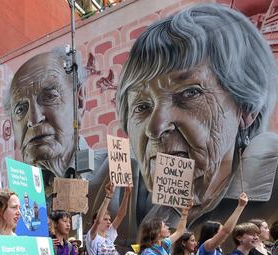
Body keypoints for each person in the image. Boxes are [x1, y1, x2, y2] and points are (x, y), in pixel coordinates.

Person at [116, 3, 278, 233]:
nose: (155, 127)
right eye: (142, 106)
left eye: (189, 93)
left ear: (246, 108)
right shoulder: (145, 209)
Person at [7, 49, 85, 177]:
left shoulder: (117, 176)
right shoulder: (16, 193)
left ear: (79, 101)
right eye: (20, 109)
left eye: (49, 97)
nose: (35, 119)